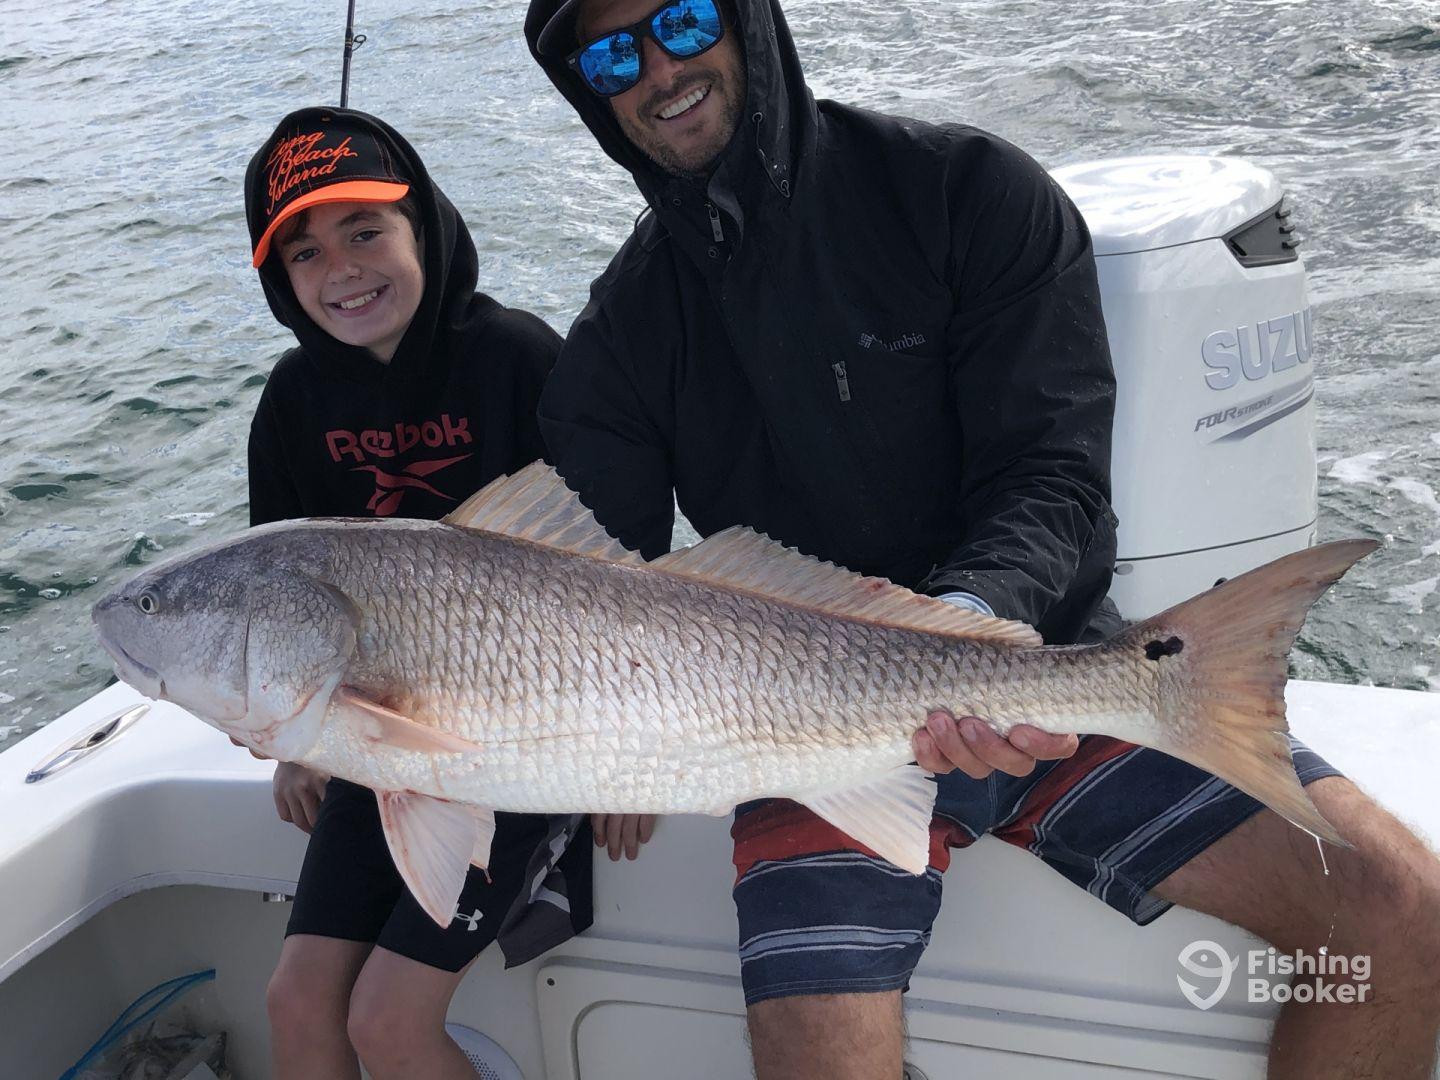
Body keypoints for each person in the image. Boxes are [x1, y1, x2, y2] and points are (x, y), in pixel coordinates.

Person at [523, 2, 1440, 1077]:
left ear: (746, 18)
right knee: (817, 1059)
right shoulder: (625, 328)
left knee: (1400, 912)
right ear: (588, 90)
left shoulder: (965, 191)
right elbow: (583, 580)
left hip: (1047, 666)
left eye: (682, 19)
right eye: (610, 54)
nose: (657, 68)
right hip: (802, 734)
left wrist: (970, 627)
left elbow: (1053, 473)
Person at [242, 106, 646, 1079]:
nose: (342, 270)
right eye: (304, 252)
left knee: (388, 1021)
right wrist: (294, 745)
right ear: (280, 280)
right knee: (296, 1000)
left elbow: (619, 576)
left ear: (423, 224)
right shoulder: (289, 403)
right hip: (375, 744)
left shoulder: (517, 356)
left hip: (526, 741)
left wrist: (624, 763)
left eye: (365, 231)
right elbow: (274, 592)